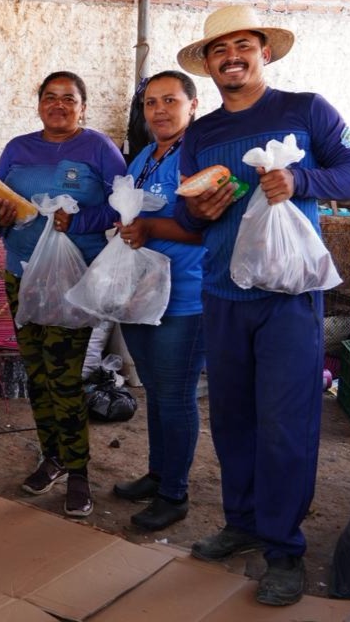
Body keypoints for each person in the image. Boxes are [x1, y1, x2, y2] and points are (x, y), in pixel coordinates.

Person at [172, 5, 350, 606]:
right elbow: (188, 214)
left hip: (289, 297)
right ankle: (242, 522)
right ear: (208, 64)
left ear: (264, 52)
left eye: (243, 45)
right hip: (222, 293)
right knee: (233, 418)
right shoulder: (201, 133)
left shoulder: (306, 110)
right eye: (219, 49)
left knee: (286, 425)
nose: (231, 56)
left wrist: (301, 181)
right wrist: (198, 210)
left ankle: (283, 548)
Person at [0, 71, 125, 518]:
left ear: (83, 107)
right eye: (50, 97)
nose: (59, 105)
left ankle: (78, 470)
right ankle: (53, 457)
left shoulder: (99, 148)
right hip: (21, 275)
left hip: (73, 279)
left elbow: (124, 205)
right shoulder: (17, 148)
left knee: (64, 377)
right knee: (37, 374)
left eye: (69, 98)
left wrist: (80, 221)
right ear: (39, 104)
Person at [112, 71, 205, 531]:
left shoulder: (199, 155)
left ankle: (175, 494)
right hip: (141, 290)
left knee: (175, 393)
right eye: (151, 103)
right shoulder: (146, 155)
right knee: (154, 388)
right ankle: (157, 473)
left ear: (193, 105)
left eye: (170, 100)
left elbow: (205, 226)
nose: (160, 110)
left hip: (184, 294)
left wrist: (147, 228)